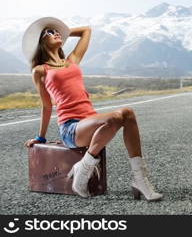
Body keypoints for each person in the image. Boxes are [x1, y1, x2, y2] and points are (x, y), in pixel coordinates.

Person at [22, 17, 162, 201]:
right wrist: (40, 137)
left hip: (92, 121)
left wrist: (63, 32)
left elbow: (86, 30)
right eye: (49, 32)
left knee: (127, 114)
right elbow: (47, 105)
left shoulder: (72, 60)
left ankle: (140, 179)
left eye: (56, 31)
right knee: (119, 115)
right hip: (71, 128)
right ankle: (84, 167)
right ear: (41, 41)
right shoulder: (40, 70)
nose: (55, 33)